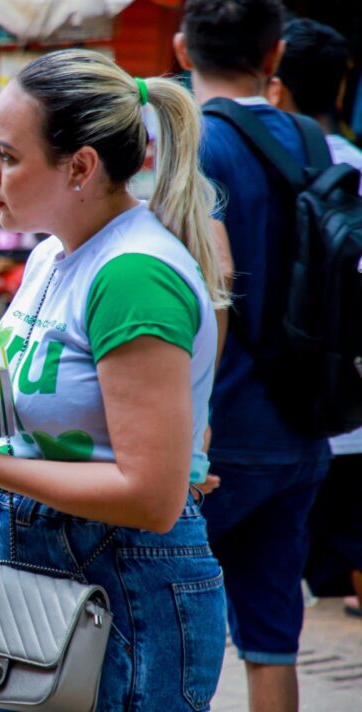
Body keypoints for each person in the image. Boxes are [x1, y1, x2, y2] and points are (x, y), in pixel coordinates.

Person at [0, 48, 228, 710]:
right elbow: (71, 439)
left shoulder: (133, 274)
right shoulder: (52, 254)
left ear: (80, 166)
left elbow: (150, 496)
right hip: (44, 587)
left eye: (8, 155)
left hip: (128, 595)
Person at [173, 2, 332, 711]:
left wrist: (189, 418)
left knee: (173, 626)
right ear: (275, 57)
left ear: (181, 49)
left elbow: (214, 285)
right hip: (301, 426)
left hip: (218, 440)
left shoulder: (192, 143)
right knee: (271, 643)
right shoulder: (308, 138)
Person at [268, 17, 362, 621]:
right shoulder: (353, 164)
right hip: (349, 402)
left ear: (276, 84)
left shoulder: (269, 166)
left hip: (283, 405)